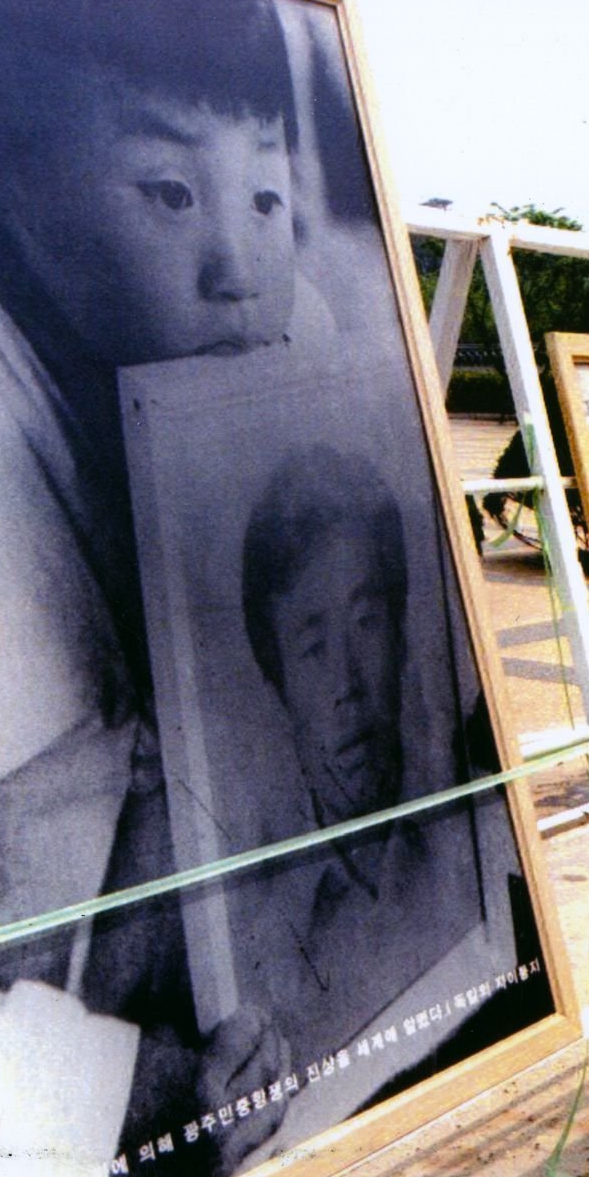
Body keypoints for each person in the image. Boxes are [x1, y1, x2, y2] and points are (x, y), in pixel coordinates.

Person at [0, 0, 304, 1177]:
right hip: (8, 1161)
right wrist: (140, 1090)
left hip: (242, 1048)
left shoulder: (256, 313)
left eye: (267, 191)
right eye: (168, 188)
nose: (243, 267)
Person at [235, 446, 547, 1076]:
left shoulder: (495, 841)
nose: (347, 684)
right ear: (279, 682)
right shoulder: (261, 940)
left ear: (402, 636)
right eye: (314, 647)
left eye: (367, 623)